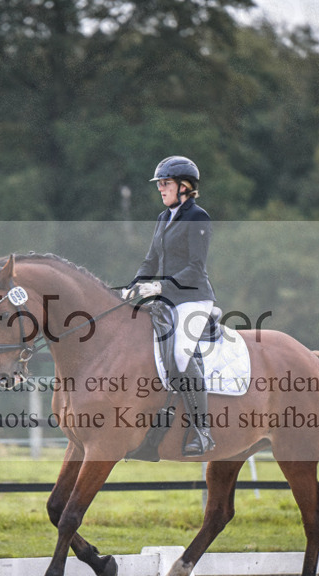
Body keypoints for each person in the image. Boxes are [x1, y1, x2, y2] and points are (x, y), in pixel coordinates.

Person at [122, 155, 216, 456]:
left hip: (193, 298)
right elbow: (151, 261)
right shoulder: (164, 218)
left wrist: (161, 285)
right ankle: (155, 433)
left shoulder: (198, 218)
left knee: (178, 354)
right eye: (159, 184)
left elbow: (195, 268)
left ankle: (203, 432)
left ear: (185, 187)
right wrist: (133, 285)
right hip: (165, 299)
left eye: (166, 183)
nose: (160, 188)